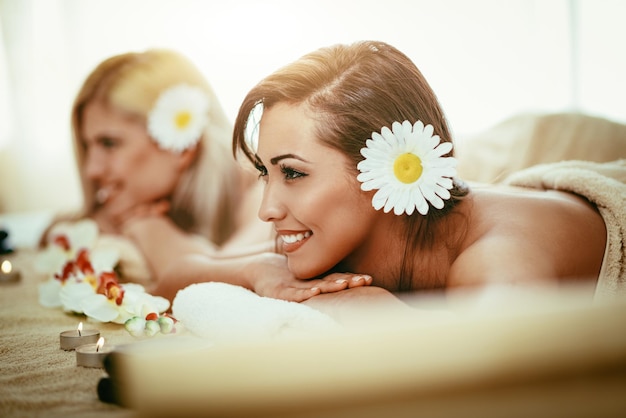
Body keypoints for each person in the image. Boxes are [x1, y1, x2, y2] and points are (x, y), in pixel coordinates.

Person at [231, 40, 608, 313]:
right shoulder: (331, 232)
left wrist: (383, 316)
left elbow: (490, 390)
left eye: (294, 173)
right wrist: (260, 269)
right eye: (266, 171)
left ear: (385, 169)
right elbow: (184, 268)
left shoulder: (499, 265)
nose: (267, 210)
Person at [41, 48, 369, 302]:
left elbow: (221, 278)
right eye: (88, 146)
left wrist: (147, 227)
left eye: (109, 143)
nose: (92, 169)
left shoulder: (266, 193)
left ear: (181, 146)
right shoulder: (120, 210)